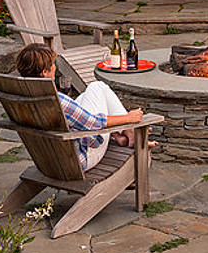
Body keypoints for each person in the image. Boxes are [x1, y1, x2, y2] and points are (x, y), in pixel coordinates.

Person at [15, 43, 146, 171]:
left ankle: (124, 133)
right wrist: (129, 118)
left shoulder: (18, 95)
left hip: (46, 161)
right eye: (53, 64)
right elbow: (95, 122)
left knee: (90, 92)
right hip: (76, 161)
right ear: (44, 72)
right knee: (97, 87)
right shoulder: (54, 100)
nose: (55, 67)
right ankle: (130, 131)